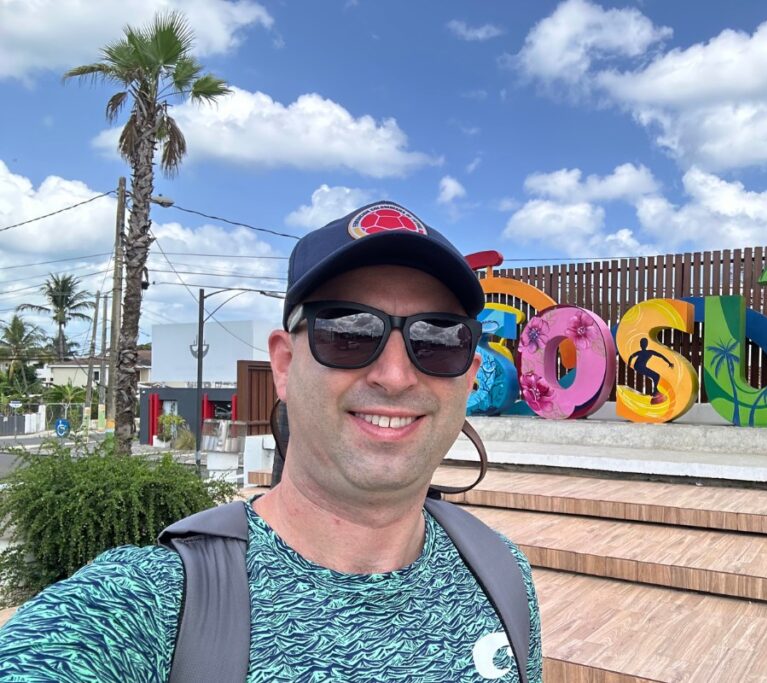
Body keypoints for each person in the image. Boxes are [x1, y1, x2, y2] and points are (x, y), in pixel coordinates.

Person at [0, 201, 543, 682]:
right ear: (283, 364)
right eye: (349, 332)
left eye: (438, 338)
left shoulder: (503, 576)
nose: (396, 376)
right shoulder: (151, 605)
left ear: (469, 376)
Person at [626, 338, 674, 404]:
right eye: (643, 343)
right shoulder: (643, 352)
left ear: (646, 344)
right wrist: (629, 365)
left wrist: (669, 362)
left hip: (640, 367)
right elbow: (631, 357)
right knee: (656, 376)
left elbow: (660, 356)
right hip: (638, 367)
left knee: (656, 376)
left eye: (644, 343)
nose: (643, 344)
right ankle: (655, 391)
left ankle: (655, 390)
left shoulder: (648, 352)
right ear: (641, 345)